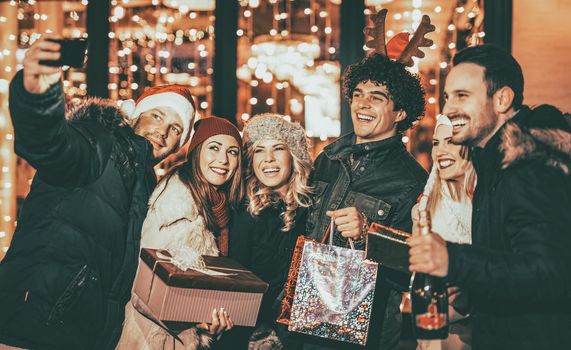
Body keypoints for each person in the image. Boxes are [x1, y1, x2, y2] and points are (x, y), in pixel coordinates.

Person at [0, 36, 196, 350]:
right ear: (135, 116)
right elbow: (51, 145)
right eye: (158, 116)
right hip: (33, 323)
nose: (164, 130)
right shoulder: (101, 142)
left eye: (175, 128)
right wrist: (39, 95)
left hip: (87, 335)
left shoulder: (144, 182)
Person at [408, 44, 571, 350]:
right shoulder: (492, 164)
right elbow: (511, 259)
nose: (448, 109)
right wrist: (474, 290)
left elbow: (553, 271)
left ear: (502, 99)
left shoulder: (530, 166)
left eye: (462, 96)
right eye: (447, 97)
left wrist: (453, 260)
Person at [303, 53, 428, 349]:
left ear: (400, 113)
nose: (362, 103)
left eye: (377, 97)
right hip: (304, 320)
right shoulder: (327, 159)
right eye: (358, 94)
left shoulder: (411, 181)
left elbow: (413, 267)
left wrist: (367, 233)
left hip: (362, 334)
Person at [117, 116, 244, 349]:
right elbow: (143, 291)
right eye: (213, 148)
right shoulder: (177, 206)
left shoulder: (221, 205)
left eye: (233, 152)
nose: (223, 160)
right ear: (196, 152)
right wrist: (196, 320)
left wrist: (211, 319)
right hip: (153, 340)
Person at [229, 113, 313, 349]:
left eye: (278, 148)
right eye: (258, 150)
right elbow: (236, 281)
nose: (268, 159)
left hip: (302, 335)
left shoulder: (313, 207)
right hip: (252, 334)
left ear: (293, 154)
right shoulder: (246, 211)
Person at [412, 114, 475, 350]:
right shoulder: (428, 204)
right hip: (433, 332)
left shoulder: (489, 202)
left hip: (476, 334)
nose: (440, 151)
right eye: (436, 143)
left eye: (451, 141)